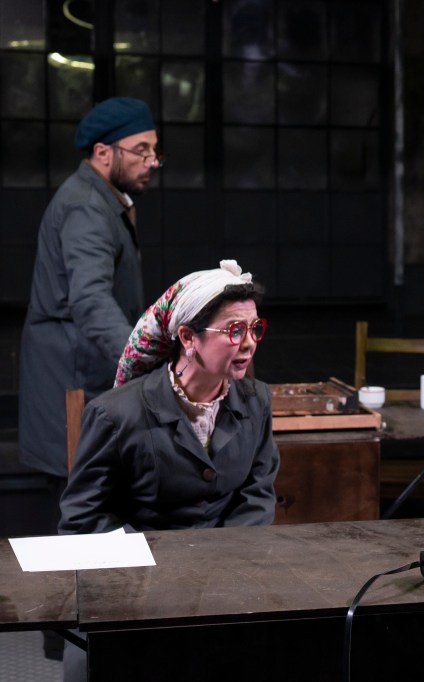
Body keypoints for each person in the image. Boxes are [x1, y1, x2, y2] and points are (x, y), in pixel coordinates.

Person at [58, 260, 280, 681]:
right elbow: (82, 518)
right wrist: (157, 567)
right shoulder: (116, 414)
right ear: (187, 337)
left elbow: (258, 493)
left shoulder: (256, 402)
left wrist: (219, 563)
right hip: (136, 590)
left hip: (225, 581)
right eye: (234, 330)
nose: (249, 343)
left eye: (255, 328)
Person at [17, 95, 159, 660]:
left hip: (82, 378)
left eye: (154, 150)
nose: (152, 160)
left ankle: (80, 643)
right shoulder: (85, 206)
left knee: (85, 506)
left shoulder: (103, 199)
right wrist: (142, 361)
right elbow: (92, 299)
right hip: (71, 386)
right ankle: (70, 648)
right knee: (76, 511)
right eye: (141, 150)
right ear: (104, 153)